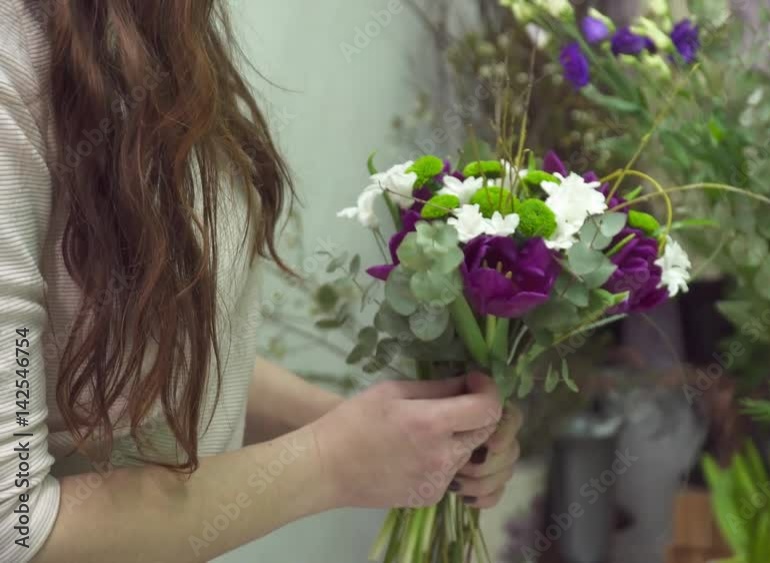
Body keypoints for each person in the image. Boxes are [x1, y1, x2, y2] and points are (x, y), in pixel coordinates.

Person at [0, 1, 522, 561]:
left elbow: (147, 362)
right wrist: (333, 460)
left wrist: (394, 437)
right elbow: (18, 528)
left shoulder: (145, 26)